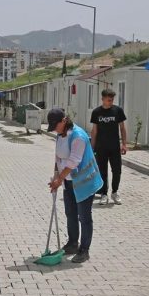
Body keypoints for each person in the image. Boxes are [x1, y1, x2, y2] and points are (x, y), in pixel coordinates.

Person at [47, 108, 103, 263]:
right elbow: (58, 157)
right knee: (70, 213)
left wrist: (59, 180)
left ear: (64, 120)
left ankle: (84, 250)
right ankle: (72, 244)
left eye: (55, 125)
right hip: (68, 181)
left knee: (84, 217)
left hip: (84, 181)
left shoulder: (78, 136)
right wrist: (56, 177)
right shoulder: (60, 135)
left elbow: (73, 161)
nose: (54, 129)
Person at [90, 88, 127, 205]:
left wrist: (124, 144)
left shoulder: (118, 111)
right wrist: (91, 148)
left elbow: (122, 128)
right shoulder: (96, 112)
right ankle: (104, 194)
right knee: (102, 171)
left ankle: (115, 192)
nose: (111, 102)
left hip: (115, 147)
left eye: (112, 100)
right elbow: (94, 131)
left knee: (117, 171)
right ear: (103, 99)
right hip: (101, 147)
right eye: (108, 100)